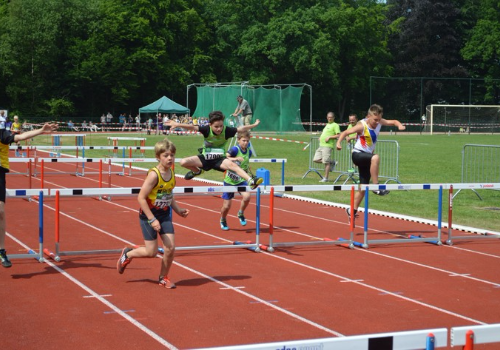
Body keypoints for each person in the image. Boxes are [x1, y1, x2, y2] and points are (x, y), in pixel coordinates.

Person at [117, 139, 189, 288]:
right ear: (158, 157)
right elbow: (141, 198)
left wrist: (178, 210)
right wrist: (152, 219)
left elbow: (169, 195)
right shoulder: (154, 175)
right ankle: (128, 253)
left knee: (170, 248)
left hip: (164, 215)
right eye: (166, 155)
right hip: (148, 215)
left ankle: (163, 277)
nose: (170, 158)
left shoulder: (171, 173)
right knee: (151, 252)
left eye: (172, 155)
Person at [0, 122, 59, 267]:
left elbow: (21, 136)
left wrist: (41, 130)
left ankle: (1, 250)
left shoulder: (2, 134)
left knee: (0, 212)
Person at [336, 104, 405, 225]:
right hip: (357, 155)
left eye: (379, 120)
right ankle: (376, 186)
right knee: (376, 157)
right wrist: (338, 143)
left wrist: (399, 125)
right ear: (368, 116)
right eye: (375, 120)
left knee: (363, 188)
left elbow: (393, 121)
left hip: (366, 158)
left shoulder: (379, 121)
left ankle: (352, 209)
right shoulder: (361, 125)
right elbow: (345, 132)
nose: (377, 122)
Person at [166, 110, 263, 190]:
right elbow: (192, 127)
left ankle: (250, 181)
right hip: (205, 157)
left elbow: (241, 129)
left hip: (219, 159)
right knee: (183, 162)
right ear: (210, 125)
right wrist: (177, 124)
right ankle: (197, 172)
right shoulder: (206, 129)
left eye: (221, 126)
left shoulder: (227, 130)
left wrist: (254, 125)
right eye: (216, 127)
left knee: (233, 165)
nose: (219, 129)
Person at [219, 130, 255, 231]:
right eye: (243, 140)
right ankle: (223, 219)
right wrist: (235, 159)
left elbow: (245, 165)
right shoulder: (234, 149)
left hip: (241, 180)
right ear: (238, 140)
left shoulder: (249, 151)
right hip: (229, 181)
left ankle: (241, 213)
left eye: (247, 141)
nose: (246, 143)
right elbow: (224, 157)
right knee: (226, 206)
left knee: (247, 196)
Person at [313, 112, 340, 182]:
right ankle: (332, 162)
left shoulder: (335, 125)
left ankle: (326, 178)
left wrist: (330, 137)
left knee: (326, 162)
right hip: (321, 145)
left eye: (331, 117)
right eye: (328, 117)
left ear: (333, 118)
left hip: (327, 146)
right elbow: (324, 133)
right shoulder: (327, 124)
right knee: (315, 159)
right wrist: (320, 137)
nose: (329, 118)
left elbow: (338, 135)